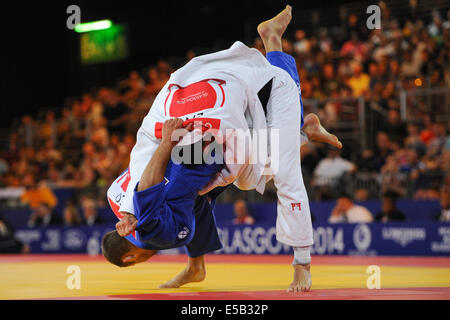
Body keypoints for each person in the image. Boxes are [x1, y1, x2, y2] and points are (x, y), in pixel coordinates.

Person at [105, 6, 342, 292]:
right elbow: (143, 154)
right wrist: (132, 209)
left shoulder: (154, 232)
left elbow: (148, 180)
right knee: (204, 190)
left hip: (252, 94)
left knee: (282, 172)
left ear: (131, 256)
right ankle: (196, 267)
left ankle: (302, 264)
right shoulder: (117, 195)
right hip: (203, 93)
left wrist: (172, 147)